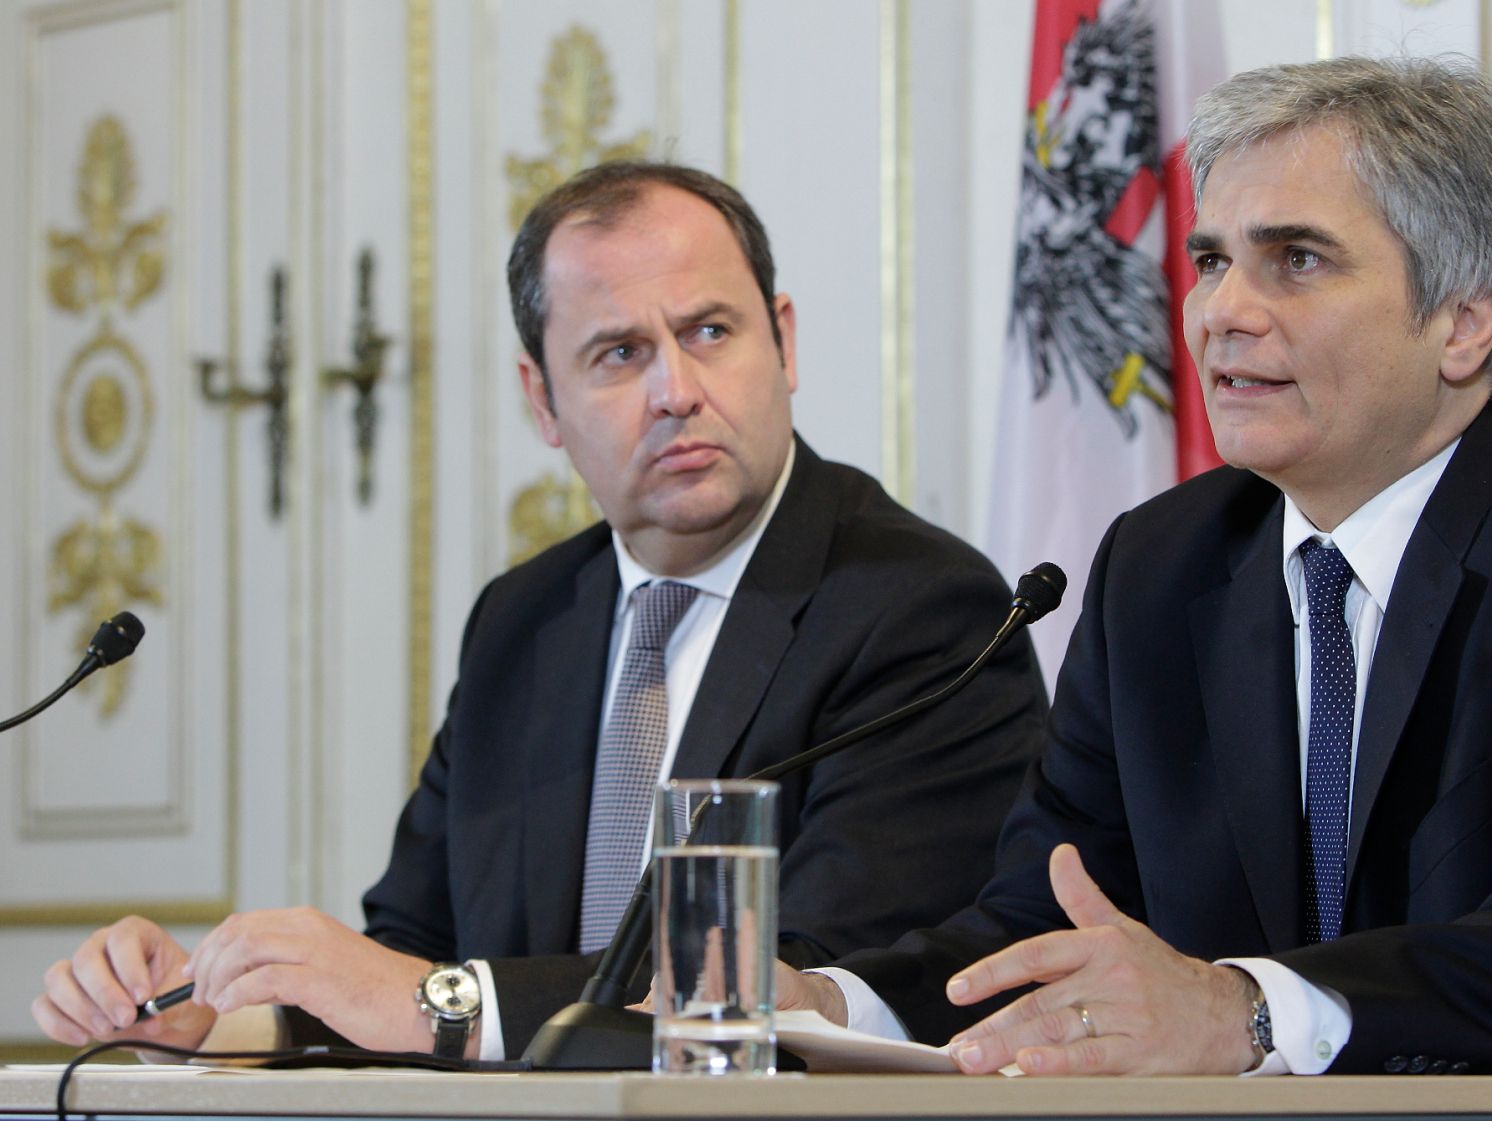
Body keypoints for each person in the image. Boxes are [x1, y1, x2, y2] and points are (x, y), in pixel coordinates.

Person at [781, 55, 1492, 1076]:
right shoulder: (1158, 567)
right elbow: (1046, 918)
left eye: (1293, 260)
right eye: (1209, 260)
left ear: (1463, 321)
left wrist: (1242, 1010)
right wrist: (830, 1001)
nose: (1218, 313)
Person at [33, 162, 1048, 1061]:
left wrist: (443, 999)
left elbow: (803, 983)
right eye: (616, 353)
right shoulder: (523, 620)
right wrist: (219, 1013)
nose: (675, 390)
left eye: (708, 331)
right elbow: (409, 946)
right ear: (541, 401)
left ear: (781, 343)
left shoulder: (923, 611)